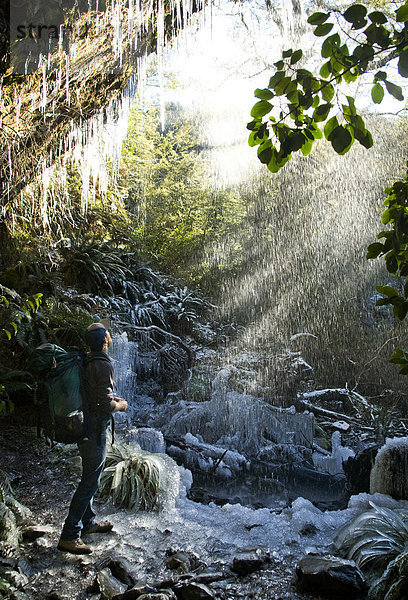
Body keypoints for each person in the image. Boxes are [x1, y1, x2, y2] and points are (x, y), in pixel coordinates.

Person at [57, 320, 128, 554]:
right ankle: (69, 534)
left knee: (90, 475)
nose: (110, 337)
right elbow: (103, 404)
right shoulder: (102, 364)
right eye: (107, 334)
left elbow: (94, 396)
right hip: (93, 429)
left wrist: (109, 401)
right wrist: (121, 405)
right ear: (104, 340)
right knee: (90, 482)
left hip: (82, 424)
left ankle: (87, 524)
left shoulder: (88, 360)